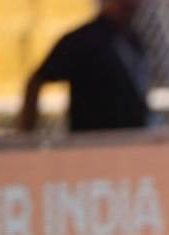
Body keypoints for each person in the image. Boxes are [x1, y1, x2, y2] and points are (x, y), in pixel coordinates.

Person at [17, 0, 150, 134]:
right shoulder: (83, 40)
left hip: (132, 136)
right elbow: (36, 81)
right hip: (94, 139)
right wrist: (26, 133)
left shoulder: (133, 40)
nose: (129, 5)